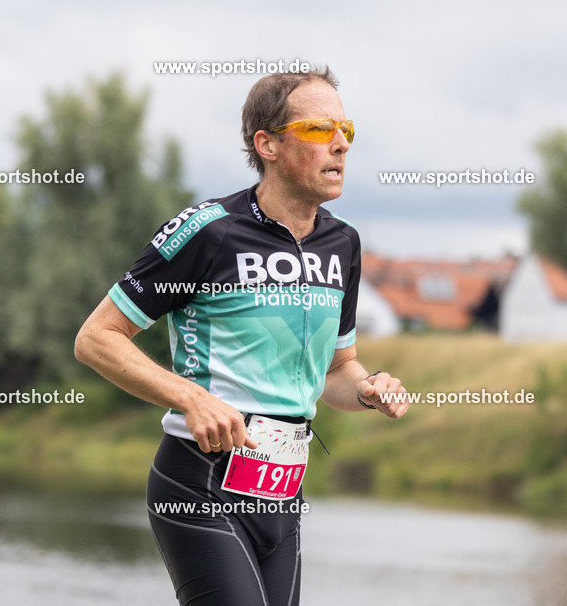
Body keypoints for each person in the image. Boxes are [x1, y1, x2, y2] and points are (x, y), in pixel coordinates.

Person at [74, 66, 409, 605]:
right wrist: (190, 397)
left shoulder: (342, 244)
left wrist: (368, 390)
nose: (341, 145)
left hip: (282, 489)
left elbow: (335, 372)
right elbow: (96, 338)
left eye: (346, 130)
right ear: (267, 144)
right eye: (321, 130)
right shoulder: (210, 230)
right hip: (200, 480)